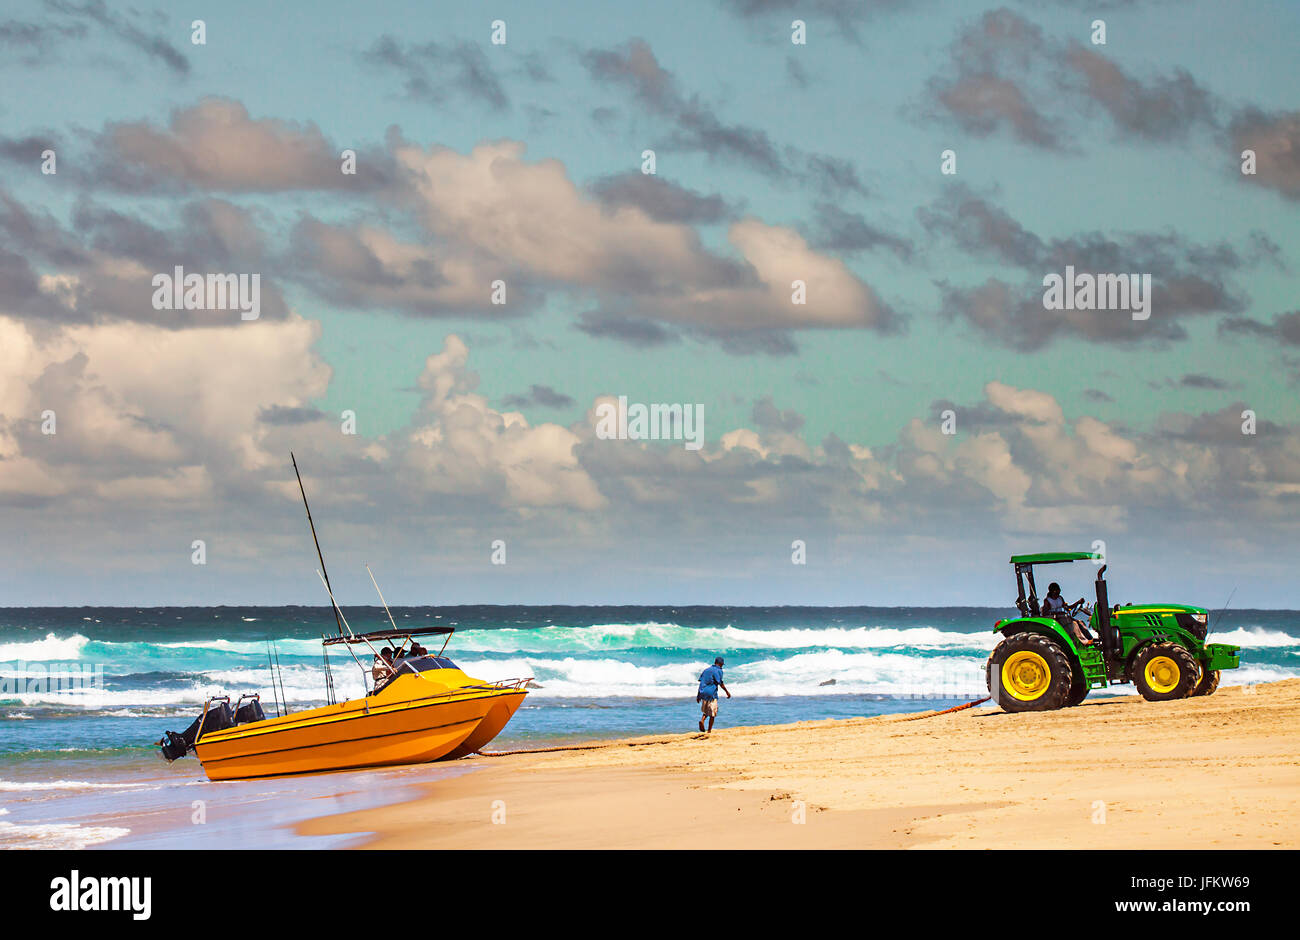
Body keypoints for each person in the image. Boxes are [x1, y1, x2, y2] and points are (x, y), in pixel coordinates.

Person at [696, 657, 731, 733]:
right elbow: (720, 682)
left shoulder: (706, 670)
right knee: (712, 713)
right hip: (711, 693)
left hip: (703, 692)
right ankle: (709, 731)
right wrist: (727, 692)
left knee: (706, 710)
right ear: (721, 664)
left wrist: (698, 695)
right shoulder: (718, 670)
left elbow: (701, 682)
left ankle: (702, 720)